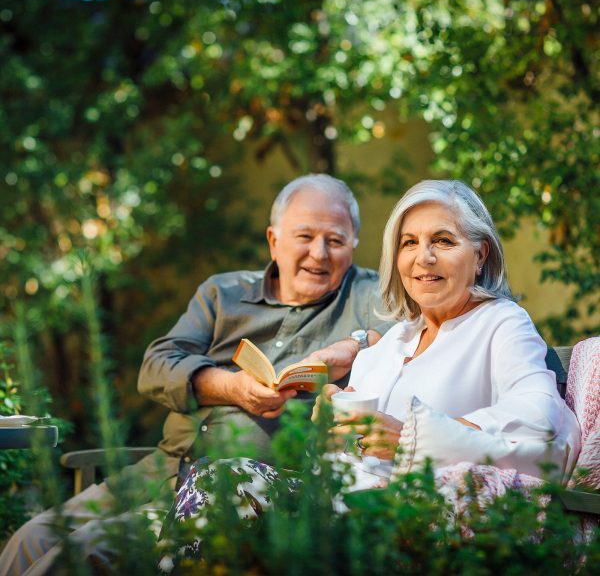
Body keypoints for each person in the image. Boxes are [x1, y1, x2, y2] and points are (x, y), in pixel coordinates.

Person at [164, 179, 581, 561]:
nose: (424, 257)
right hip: (340, 503)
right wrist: (329, 430)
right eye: (409, 243)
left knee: (222, 486)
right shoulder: (396, 339)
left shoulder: (501, 322)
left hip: (406, 517)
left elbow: (538, 419)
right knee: (215, 479)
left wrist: (411, 440)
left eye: (443, 240)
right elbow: (338, 457)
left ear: (480, 253)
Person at [0, 174, 391, 575]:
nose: (319, 254)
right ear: (274, 240)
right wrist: (230, 387)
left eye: (336, 240)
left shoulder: (369, 297)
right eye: (304, 236)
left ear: (354, 245)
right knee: (31, 540)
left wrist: (357, 342)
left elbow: (412, 338)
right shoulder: (223, 293)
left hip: (232, 497)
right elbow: (156, 365)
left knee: (74, 557)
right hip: (159, 469)